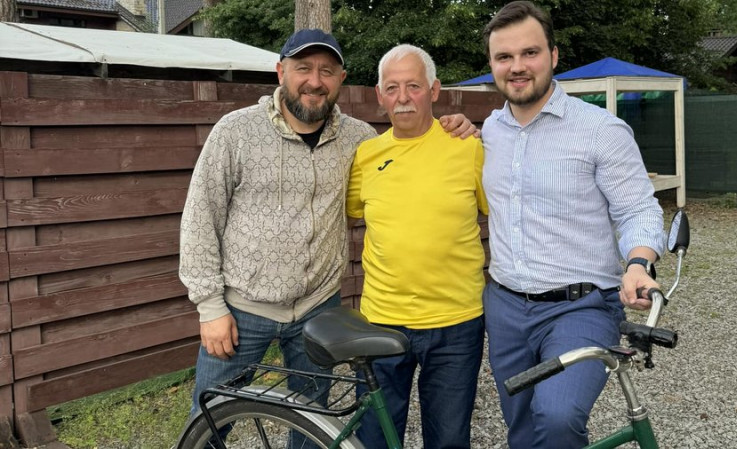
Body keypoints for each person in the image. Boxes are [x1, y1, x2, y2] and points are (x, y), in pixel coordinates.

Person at [179, 29, 476, 438]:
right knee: (208, 422)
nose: (315, 81)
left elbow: (409, 159)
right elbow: (200, 218)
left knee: (313, 426)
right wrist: (210, 307)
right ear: (281, 72)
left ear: (341, 79)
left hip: (317, 310)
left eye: (327, 71)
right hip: (242, 310)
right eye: (303, 68)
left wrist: (459, 126)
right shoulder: (236, 132)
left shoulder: (359, 140)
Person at [479, 2, 666, 448]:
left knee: (558, 416)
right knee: (521, 427)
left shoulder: (601, 130)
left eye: (529, 53)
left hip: (580, 307)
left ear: (554, 55)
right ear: (492, 64)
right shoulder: (489, 130)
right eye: (504, 57)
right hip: (505, 307)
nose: (517, 66)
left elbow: (639, 209)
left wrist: (638, 264)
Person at [346, 44, 489, 449]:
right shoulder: (366, 155)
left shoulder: (468, 147)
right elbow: (347, 212)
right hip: (381, 320)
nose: (403, 97)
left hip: (456, 322)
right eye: (392, 88)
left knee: (448, 440)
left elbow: (504, 213)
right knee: (374, 438)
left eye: (414, 85)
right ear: (379, 95)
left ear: (434, 90)